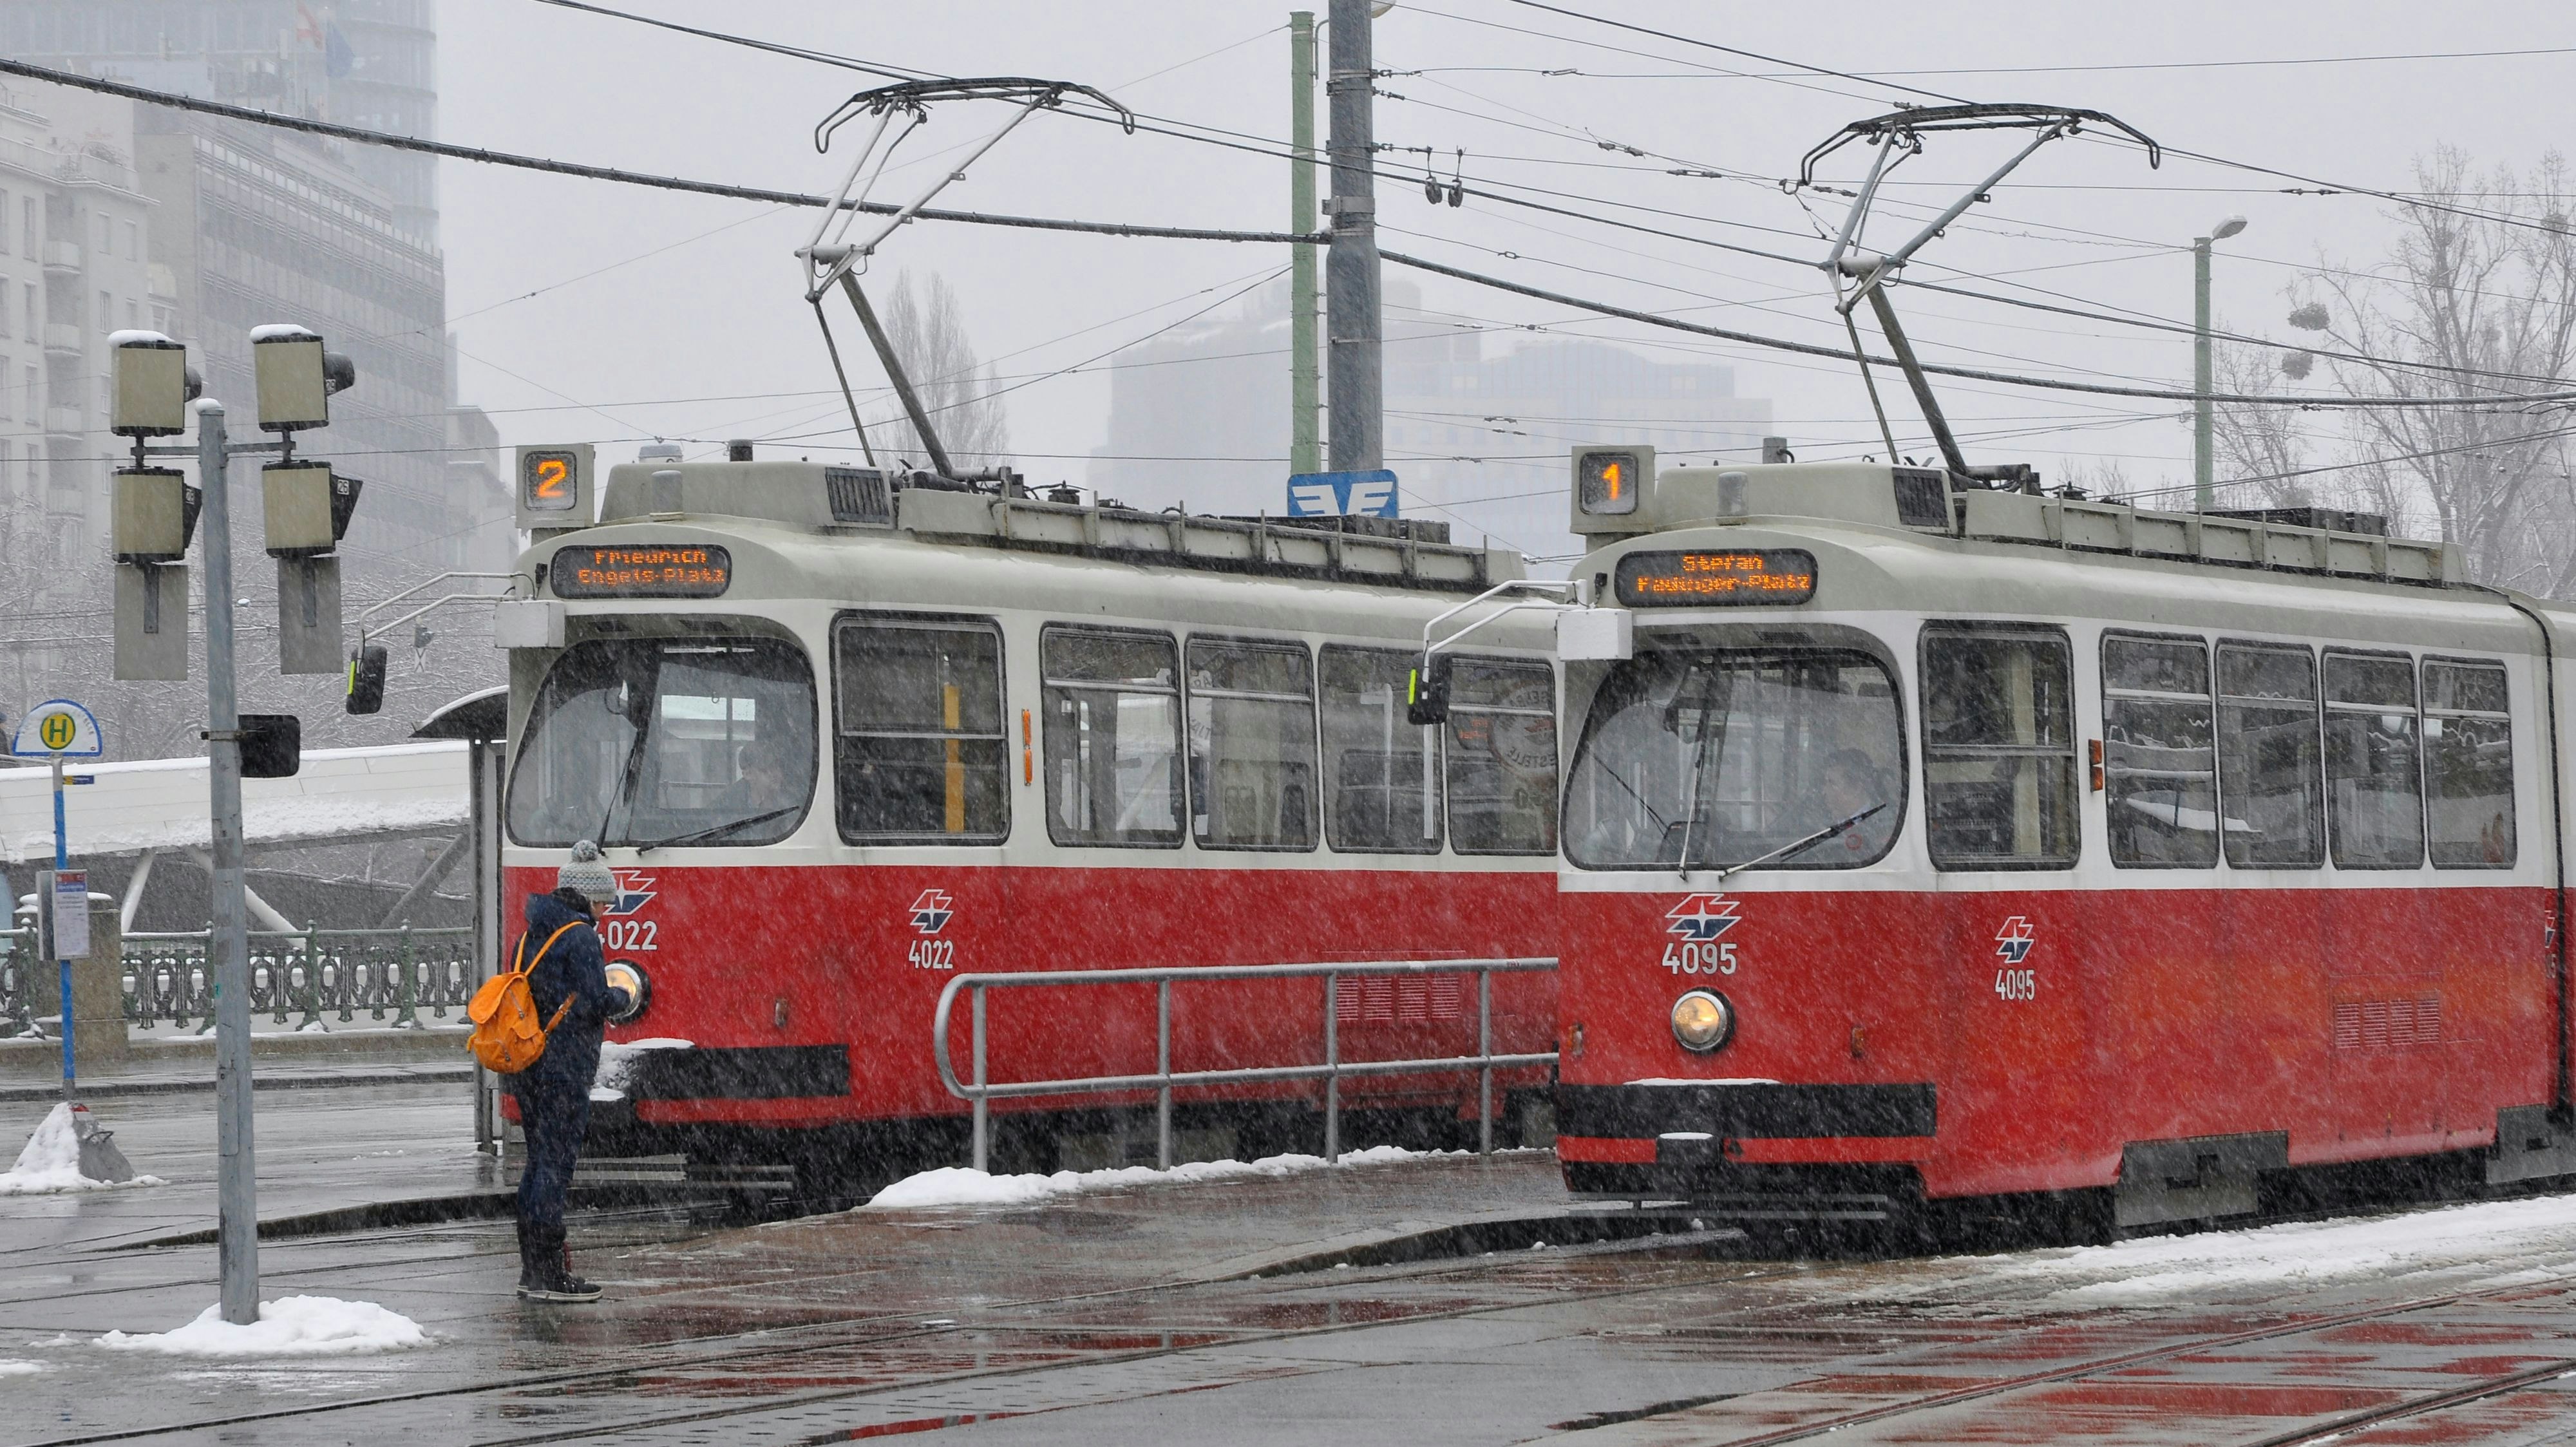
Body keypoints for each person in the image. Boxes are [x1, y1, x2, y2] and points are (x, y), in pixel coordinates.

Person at [510, 840, 632, 1303]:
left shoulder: (530, 935)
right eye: (603, 900)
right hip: (563, 1066)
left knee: (537, 1162)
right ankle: (551, 1274)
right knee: (555, 1167)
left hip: (527, 1063)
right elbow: (594, 1001)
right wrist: (621, 997)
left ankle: (531, 1269)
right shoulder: (581, 936)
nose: (605, 909)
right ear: (585, 897)